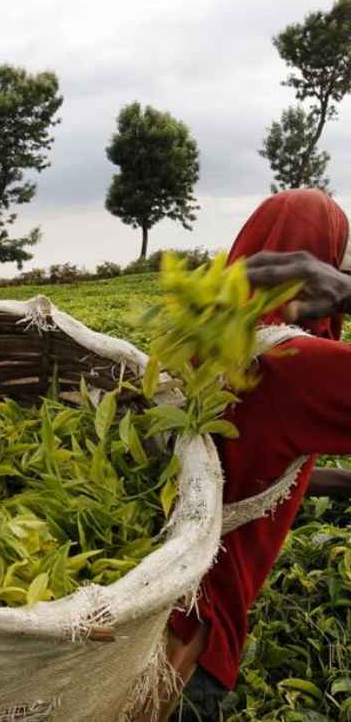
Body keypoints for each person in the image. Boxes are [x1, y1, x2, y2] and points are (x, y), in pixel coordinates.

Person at [137, 189, 351, 722]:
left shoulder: (197, 342)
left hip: (141, 611)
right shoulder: (296, 363)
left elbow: (241, 463)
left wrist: (339, 484)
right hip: (195, 642)